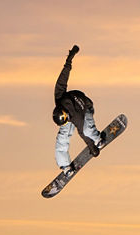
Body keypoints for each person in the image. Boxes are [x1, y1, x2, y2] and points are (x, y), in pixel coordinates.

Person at [52, 45, 104, 175]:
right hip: (71, 114)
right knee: (62, 138)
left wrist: (93, 147)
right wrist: (69, 60)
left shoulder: (76, 117)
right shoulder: (59, 97)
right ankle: (65, 166)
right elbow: (63, 78)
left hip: (86, 108)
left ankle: (98, 139)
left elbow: (82, 132)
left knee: (87, 130)